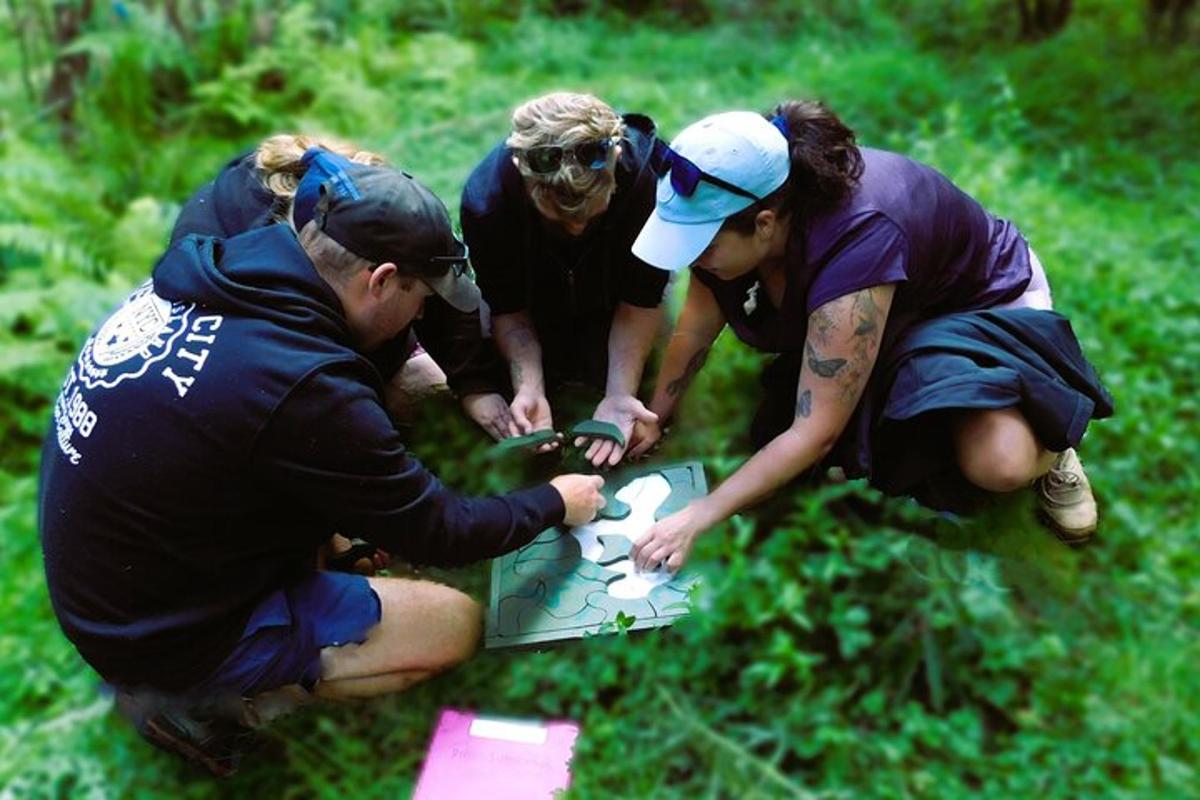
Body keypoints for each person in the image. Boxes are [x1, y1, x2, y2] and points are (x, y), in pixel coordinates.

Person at [39, 162, 606, 776]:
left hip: (114, 577)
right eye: (421, 300)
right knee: (454, 625)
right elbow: (441, 531)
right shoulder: (302, 383)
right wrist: (556, 500)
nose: (420, 319)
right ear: (382, 280)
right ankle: (205, 698)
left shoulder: (223, 271)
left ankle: (237, 626)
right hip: (163, 631)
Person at [625, 102, 1113, 572]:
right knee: (835, 428)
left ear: (766, 225)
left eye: (701, 245)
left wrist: (699, 516)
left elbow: (815, 433)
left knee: (997, 463)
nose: (692, 259)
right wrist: (654, 415)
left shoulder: (858, 245)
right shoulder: (739, 217)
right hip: (893, 304)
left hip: (978, 303)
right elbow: (695, 328)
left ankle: (1052, 439)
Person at [172, 134, 515, 442]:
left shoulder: (372, 212)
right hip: (243, 387)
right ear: (378, 279)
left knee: (420, 377)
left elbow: (430, 271)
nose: (424, 311)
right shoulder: (255, 306)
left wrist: (476, 385)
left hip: (350, 312)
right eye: (422, 299)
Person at [460, 92, 670, 467]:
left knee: (635, 375)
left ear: (616, 158)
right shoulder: (486, 203)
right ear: (521, 172)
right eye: (558, 219)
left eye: (591, 215)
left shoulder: (649, 181)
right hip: (538, 300)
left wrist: (620, 393)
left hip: (615, 295)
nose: (576, 229)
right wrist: (529, 386)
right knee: (504, 362)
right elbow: (508, 306)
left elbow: (641, 297)